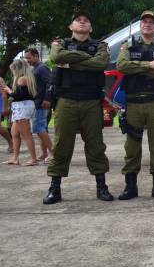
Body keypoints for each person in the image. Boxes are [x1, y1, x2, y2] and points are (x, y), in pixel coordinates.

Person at [44, 11, 113, 204]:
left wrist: (72, 62)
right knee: (61, 146)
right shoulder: (60, 44)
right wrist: (85, 59)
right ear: (71, 27)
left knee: (96, 145)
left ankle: (102, 187)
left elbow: (100, 63)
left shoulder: (100, 45)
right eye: (78, 20)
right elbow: (57, 57)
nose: (82, 22)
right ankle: (54, 188)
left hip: (91, 100)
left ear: (90, 28)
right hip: (66, 100)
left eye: (86, 21)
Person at [116, 11, 154, 201]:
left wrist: (137, 69)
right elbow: (122, 66)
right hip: (133, 102)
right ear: (140, 26)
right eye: (144, 22)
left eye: (152, 22)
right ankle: (130, 187)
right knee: (132, 146)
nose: (147, 24)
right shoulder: (129, 45)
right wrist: (149, 66)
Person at [2, 59, 39, 166]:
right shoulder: (26, 78)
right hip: (22, 107)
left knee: (26, 134)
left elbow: (19, 96)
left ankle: (33, 159)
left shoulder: (22, 79)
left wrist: (9, 91)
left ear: (17, 69)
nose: (12, 72)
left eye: (13, 70)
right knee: (15, 133)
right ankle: (15, 158)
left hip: (22, 107)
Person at [24, 48, 53, 162]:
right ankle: (44, 153)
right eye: (26, 58)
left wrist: (47, 99)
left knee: (39, 128)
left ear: (36, 56)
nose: (27, 60)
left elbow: (50, 83)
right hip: (36, 103)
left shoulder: (42, 68)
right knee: (42, 128)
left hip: (42, 103)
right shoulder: (35, 68)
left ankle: (52, 153)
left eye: (29, 58)